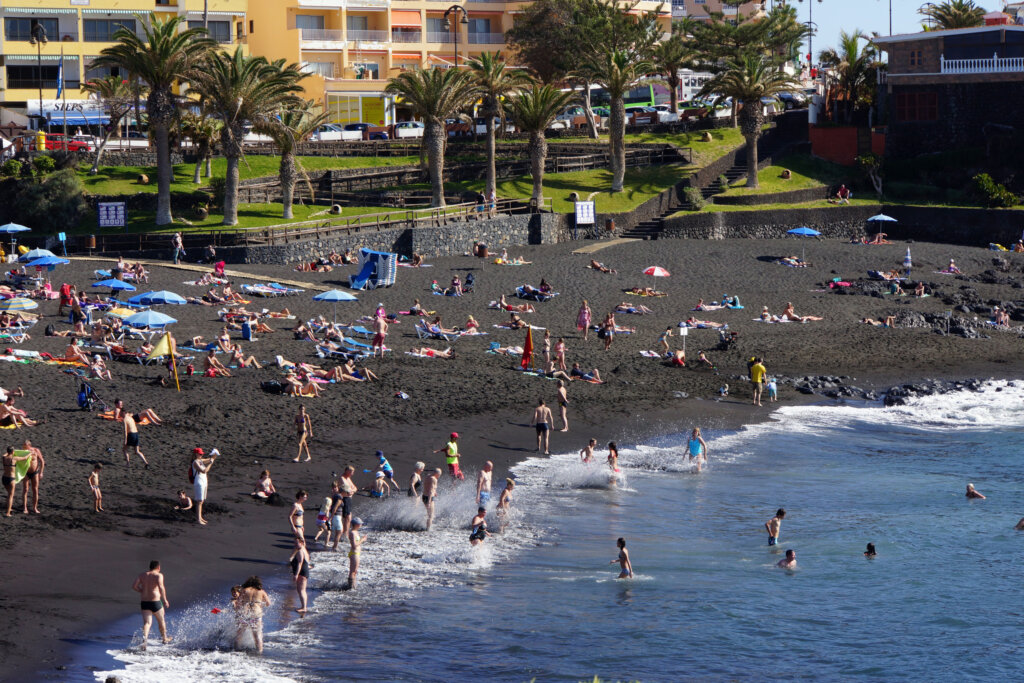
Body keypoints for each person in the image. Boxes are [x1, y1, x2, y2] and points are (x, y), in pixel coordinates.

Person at [132, 560, 171, 650]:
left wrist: (142, 590)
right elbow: (161, 587)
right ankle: (164, 639)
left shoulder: (142, 575)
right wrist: (165, 600)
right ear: (158, 567)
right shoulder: (158, 575)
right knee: (161, 620)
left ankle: (144, 640)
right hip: (155, 602)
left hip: (145, 602)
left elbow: (134, 586)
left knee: (147, 623)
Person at [235, 576, 271, 653]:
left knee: (240, 633)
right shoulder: (261, 591)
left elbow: (238, 603)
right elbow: (268, 603)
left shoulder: (245, 590)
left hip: (245, 614)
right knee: (257, 635)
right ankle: (259, 652)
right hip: (256, 614)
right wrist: (260, 604)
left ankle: (236, 649)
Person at [191, 447, 217, 525]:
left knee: (201, 501)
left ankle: (200, 517)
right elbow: (204, 470)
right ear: (196, 454)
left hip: (204, 481)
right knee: (199, 501)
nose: (201, 455)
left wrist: (214, 456)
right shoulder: (195, 462)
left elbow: (209, 459)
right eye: (200, 454)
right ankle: (198, 519)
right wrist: (210, 463)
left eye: (202, 454)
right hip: (199, 482)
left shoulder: (200, 460)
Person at [3, 446, 30, 517]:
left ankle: (8, 508)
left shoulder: (4, 458)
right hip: (11, 478)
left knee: (9, 494)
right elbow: (25, 458)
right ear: (12, 452)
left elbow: (4, 454)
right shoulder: (14, 458)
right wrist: (30, 454)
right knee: (11, 495)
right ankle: (8, 513)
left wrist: (9, 452)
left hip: (4, 478)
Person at [20, 439, 44, 514]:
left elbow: (42, 461)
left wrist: (41, 472)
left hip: (35, 472)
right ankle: (25, 508)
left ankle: (35, 507)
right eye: (23, 446)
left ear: (29, 445)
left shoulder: (36, 450)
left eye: (25, 446)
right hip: (26, 472)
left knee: (35, 489)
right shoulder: (23, 452)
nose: (24, 448)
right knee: (25, 489)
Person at [289, 538, 311, 614]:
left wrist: (296, 575)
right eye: (294, 543)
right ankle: (303, 606)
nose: (295, 545)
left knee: (301, 590)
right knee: (301, 590)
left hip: (302, 573)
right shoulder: (303, 550)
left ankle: (304, 607)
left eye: (297, 543)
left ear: (301, 543)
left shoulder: (300, 552)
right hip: (304, 572)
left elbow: (300, 563)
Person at [346, 517, 367, 590]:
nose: (361, 525)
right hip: (354, 553)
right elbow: (354, 545)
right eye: (360, 524)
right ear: (356, 524)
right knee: (353, 571)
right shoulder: (352, 533)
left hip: (356, 553)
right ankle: (350, 587)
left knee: (355, 571)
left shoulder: (355, 532)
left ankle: (353, 586)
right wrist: (362, 540)